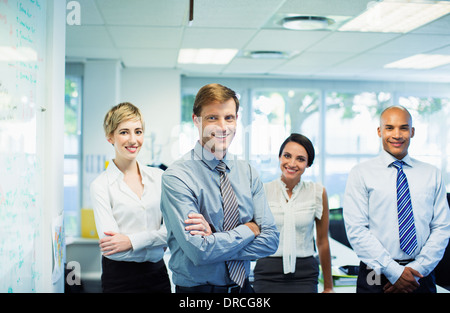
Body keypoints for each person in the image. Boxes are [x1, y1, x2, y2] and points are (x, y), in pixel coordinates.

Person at [160, 83, 279, 293]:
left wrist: (215, 239)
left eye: (229, 118)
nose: (223, 127)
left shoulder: (248, 172)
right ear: (196, 120)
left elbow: (270, 241)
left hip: (243, 289)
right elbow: (199, 253)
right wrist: (249, 229)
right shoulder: (177, 176)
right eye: (212, 118)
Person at [343, 105, 450, 293]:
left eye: (403, 128)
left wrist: (414, 272)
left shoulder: (432, 174)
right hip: (374, 270)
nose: (397, 135)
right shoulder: (361, 173)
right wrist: (395, 272)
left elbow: (441, 228)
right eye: (389, 128)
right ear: (379, 131)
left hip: (420, 273)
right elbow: (357, 230)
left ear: (412, 131)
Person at [90, 102, 171, 293]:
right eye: (124, 132)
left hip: (157, 274)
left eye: (138, 131)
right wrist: (156, 239)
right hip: (119, 279)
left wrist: (130, 241)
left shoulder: (159, 178)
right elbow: (112, 247)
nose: (133, 140)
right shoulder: (100, 185)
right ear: (110, 137)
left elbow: (172, 232)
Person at [253, 133, 334, 293]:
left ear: (308, 164)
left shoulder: (317, 192)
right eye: (287, 156)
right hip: (267, 271)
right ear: (279, 157)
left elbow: (323, 242)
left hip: (305, 273)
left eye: (300, 159)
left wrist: (328, 286)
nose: (292, 163)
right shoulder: (262, 191)